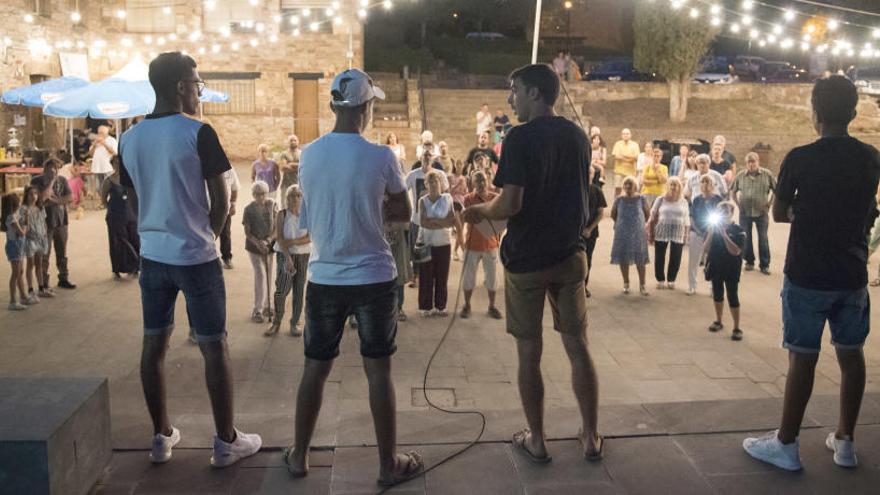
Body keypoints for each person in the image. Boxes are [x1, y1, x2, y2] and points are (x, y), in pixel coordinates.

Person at [119, 52, 262, 467]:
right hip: (195, 256)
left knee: (153, 343)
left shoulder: (130, 138)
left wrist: (155, 226)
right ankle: (226, 441)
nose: (200, 91)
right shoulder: (198, 133)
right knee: (214, 346)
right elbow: (222, 200)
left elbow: (132, 199)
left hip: (153, 255)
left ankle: (161, 437)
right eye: (197, 84)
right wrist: (208, 238)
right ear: (181, 86)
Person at [285, 68, 422, 485]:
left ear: (332, 106)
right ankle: (386, 464)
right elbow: (402, 214)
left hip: (325, 276)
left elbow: (310, 210)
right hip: (374, 276)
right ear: (367, 108)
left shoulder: (308, 154)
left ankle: (300, 456)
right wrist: (375, 214)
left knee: (315, 368)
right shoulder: (382, 157)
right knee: (378, 371)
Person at [462, 64, 602, 463]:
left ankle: (538, 439)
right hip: (570, 255)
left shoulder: (519, 139)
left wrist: (478, 210)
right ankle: (591, 436)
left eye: (515, 90)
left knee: (529, 351)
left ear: (537, 94)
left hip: (527, 259)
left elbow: (511, 203)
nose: (511, 99)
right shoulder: (578, 136)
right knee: (578, 346)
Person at [744, 76, 880, 472]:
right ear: (854, 113)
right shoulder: (871, 157)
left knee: (802, 360)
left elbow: (779, 212)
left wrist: (805, 210)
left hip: (807, 274)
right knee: (851, 357)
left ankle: (786, 445)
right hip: (852, 272)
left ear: (815, 114)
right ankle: (846, 441)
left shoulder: (800, 158)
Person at [266, 185, 310, 337]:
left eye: (298, 196)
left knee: (299, 290)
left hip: (304, 256)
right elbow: (280, 238)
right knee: (282, 290)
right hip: (284, 255)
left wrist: (293, 242)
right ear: (287, 198)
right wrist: (288, 258)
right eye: (292, 196)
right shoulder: (282, 214)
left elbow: (309, 238)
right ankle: (276, 322)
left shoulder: (307, 214)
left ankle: (294, 323)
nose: (295, 199)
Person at [417, 170, 459, 317]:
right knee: (426, 277)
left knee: (442, 276)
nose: (434, 184)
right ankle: (425, 307)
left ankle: (441, 306)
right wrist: (442, 222)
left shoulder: (447, 199)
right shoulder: (422, 201)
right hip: (426, 243)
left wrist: (434, 221)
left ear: (441, 183)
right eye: (430, 182)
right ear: (426, 185)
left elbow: (451, 220)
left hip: (444, 243)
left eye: (436, 181)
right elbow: (423, 222)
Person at [460, 170, 502, 319]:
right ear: (472, 183)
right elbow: (463, 219)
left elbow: (502, 220)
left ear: (488, 179)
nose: (481, 183)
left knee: (492, 277)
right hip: (472, 244)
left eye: (483, 179)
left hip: (491, 244)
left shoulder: (496, 198)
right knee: (468, 277)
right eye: (477, 181)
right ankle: (467, 305)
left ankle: (492, 306)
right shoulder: (468, 199)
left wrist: (498, 238)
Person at [703, 201, 746, 340]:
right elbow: (705, 248)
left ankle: (736, 327)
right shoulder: (712, 229)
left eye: (726, 212)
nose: (723, 215)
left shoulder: (738, 230)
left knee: (732, 295)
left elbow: (736, 251)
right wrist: (710, 233)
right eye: (720, 212)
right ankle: (718, 320)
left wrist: (724, 235)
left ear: (732, 213)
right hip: (716, 265)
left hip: (732, 267)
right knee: (717, 292)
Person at [31, 158, 75, 289]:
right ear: (44, 168)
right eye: (51, 168)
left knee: (62, 251)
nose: (54, 171)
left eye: (56, 168)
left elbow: (70, 197)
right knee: (45, 253)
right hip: (45, 222)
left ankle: (63, 278)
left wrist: (56, 201)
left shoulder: (62, 180)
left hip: (61, 221)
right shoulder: (37, 181)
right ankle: (43, 281)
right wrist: (50, 181)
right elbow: (41, 198)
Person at [730, 152, 776, 275]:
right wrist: (738, 205)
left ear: (758, 162)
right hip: (745, 212)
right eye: (749, 162)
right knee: (746, 238)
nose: (751, 164)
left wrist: (770, 203)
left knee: (763, 239)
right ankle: (749, 261)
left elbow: (776, 190)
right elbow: (733, 191)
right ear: (746, 164)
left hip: (762, 212)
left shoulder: (767, 174)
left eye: (753, 162)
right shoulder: (740, 176)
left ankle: (764, 265)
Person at [242, 180, 277, 324]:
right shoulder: (248, 209)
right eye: (257, 194)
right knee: (260, 275)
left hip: (269, 245)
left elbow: (277, 227)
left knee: (269, 274)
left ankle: (268, 305)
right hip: (254, 247)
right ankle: (257, 309)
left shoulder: (272, 204)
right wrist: (258, 243)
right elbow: (248, 232)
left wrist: (267, 241)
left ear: (267, 193)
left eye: (262, 193)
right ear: (253, 195)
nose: (260, 196)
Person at [611, 176, 651, 296]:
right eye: (626, 185)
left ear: (635, 186)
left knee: (640, 259)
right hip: (622, 232)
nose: (628, 187)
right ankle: (626, 283)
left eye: (630, 185)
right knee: (623, 258)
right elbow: (613, 214)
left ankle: (642, 285)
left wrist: (640, 224)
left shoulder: (641, 198)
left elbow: (647, 214)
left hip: (638, 233)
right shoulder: (619, 199)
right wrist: (620, 223)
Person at [647, 177, 689, 290]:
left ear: (680, 187)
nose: (673, 187)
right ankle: (660, 279)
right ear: (668, 186)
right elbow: (652, 216)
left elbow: (686, 220)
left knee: (676, 256)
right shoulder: (660, 199)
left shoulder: (684, 201)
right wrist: (650, 233)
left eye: (676, 185)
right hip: (662, 230)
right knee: (659, 256)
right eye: (671, 184)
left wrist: (686, 235)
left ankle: (671, 280)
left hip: (678, 232)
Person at [100, 159, 139, 279]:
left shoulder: (130, 178)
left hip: (131, 214)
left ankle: (134, 267)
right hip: (115, 215)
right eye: (115, 164)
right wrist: (112, 209)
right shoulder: (108, 181)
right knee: (117, 242)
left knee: (134, 240)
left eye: (119, 163)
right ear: (112, 165)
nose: (118, 166)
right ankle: (117, 269)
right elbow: (103, 198)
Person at [687, 175, 724, 295]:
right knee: (693, 260)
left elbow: (722, 215)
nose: (705, 185)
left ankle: (713, 287)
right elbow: (691, 216)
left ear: (713, 185)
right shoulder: (697, 199)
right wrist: (697, 230)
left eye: (708, 182)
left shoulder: (718, 199)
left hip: (713, 233)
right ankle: (692, 286)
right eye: (702, 182)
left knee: (713, 260)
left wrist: (712, 230)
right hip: (696, 232)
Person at [21, 185, 49, 302]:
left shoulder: (40, 208)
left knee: (39, 263)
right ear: (26, 196)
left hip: (40, 238)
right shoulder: (23, 209)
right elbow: (22, 225)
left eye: (35, 194)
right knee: (30, 264)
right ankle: (30, 289)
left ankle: (41, 288)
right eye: (31, 194)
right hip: (30, 239)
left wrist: (45, 234)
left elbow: (44, 223)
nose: (34, 196)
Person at [582, 165, 607, 298]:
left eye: (589, 173)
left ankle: (584, 286)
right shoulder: (575, 190)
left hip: (590, 232)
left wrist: (589, 229)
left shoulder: (597, 191)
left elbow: (600, 213)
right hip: (574, 232)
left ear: (593, 175)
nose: (587, 175)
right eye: (585, 172)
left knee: (587, 259)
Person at [2, 193, 28, 310]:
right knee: (15, 273)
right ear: (14, 203)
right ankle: (12, 301)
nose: (20, 202)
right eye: (19, 200)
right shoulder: (11, 218)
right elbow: (21, 232)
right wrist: (26, 225)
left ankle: (23, 296)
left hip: (19, 246)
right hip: (14, 246)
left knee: (20, 271)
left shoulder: (14, 215)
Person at [219, 167, 240, 269]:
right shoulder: (203, 166)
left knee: (225, 234)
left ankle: (227, 258)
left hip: (224, 210)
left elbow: (234, 188)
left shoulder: (229, 170)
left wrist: (233, 204)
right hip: (206, 209)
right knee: (205, 235)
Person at [448, 159, 469, 261]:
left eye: (461, 163)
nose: (459, 165)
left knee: (461, 229)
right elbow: (449, 192)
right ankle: (465, 252)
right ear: (455, 165)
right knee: (459, 229)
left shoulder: (465, 178)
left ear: (463, 165)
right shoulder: (450, 177)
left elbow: (465, 193)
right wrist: (457, 185)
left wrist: (463, 189)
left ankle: (454, 251)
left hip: (462, 203)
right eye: (458, 163)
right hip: (454, 203)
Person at [610, 128, 640, 197]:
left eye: (627, 134)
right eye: (624, 134)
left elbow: (636, 157)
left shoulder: (635, 145)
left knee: (631, 189)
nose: (625, 135)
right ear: (621, 135)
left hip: (631, 172)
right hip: (619, 171)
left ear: (630, 135)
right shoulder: (617, 144)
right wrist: (630, 158)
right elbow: (617, 156)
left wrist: (623, 156)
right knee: (618, 189)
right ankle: (616, 204)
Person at [89, 125, 117, 194]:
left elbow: (114, 153)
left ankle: (109, 202)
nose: (100, 134)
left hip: (108, 168)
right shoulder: (96, 140)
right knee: (99, 187)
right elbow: (90, 154)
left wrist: (104, 143)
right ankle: (103, 202)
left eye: (101, 132)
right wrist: (95, 144)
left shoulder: (112, 140)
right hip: (97, 168)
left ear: (106, 133)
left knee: (109, 186)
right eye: (99, 132)